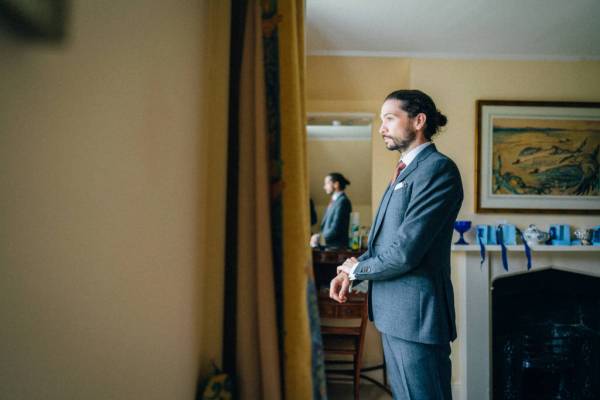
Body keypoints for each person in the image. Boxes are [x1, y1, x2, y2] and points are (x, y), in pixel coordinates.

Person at [330, 90, 463, 399]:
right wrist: (350, 272)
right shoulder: (405, 170)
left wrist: (357, 269)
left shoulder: (437, 170)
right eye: (381, 120)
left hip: (416, 317)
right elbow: (385, 243)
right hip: (395, 314)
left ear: (419, 121)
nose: (382, 128)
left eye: (390, 118)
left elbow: (404, 252)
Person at [310, 172, 352, 249]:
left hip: (336, 249)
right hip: (329, 247)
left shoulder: (343, 201)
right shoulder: (335, 201)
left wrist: (318, 237)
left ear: (336, 184)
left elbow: (336, 229)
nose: (324, 187)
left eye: (326, 183)